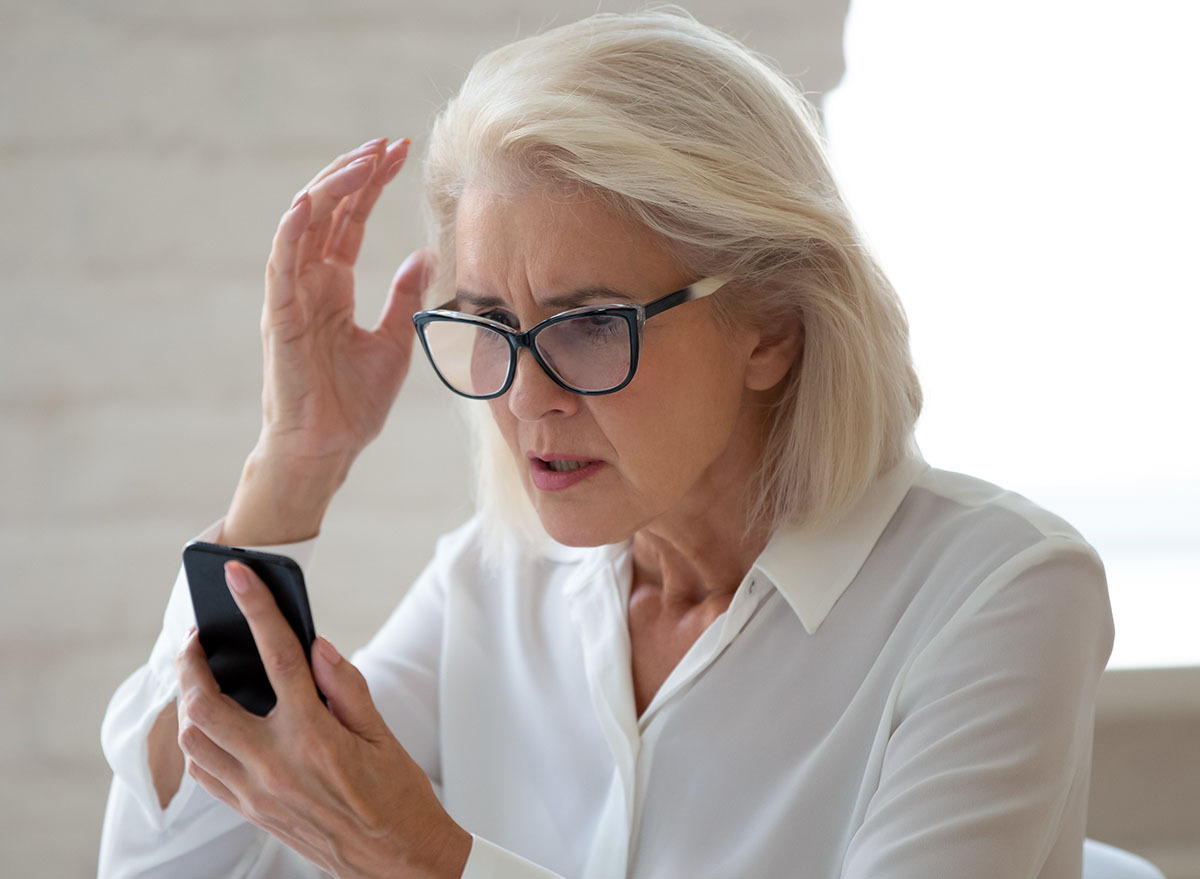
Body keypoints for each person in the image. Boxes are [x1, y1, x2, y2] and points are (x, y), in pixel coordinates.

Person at [98, 9, 1113, 878]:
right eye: (490, 323)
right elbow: (180, 862)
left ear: (770, 328)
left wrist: (427, 858)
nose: (529, 397)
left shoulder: (1001, 592)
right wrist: (298, 458)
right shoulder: (495, 584)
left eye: (588, 324)